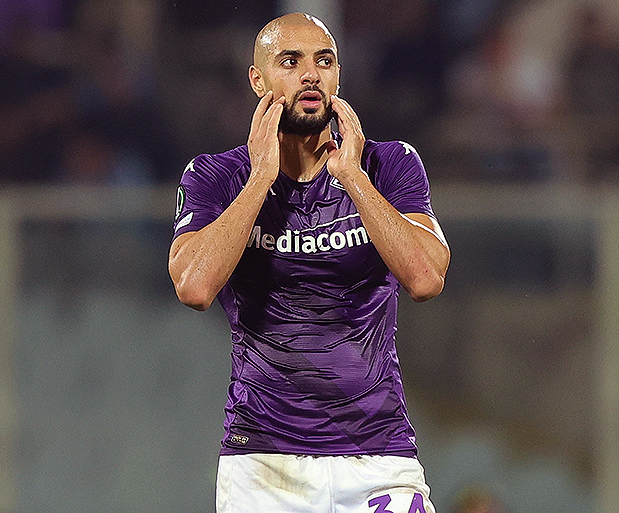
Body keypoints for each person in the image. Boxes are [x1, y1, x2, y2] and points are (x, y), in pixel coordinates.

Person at [168, 12, 450, 513]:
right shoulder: (216, 176)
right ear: (258, 81)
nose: (310, 74)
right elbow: (194, 286)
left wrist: (352, 177)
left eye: (324, 61)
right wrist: (260, 178)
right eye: (290, 62)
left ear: (338, 75)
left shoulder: (389, 165)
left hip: (379, 454)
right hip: (263, 463)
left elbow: (426, 278)